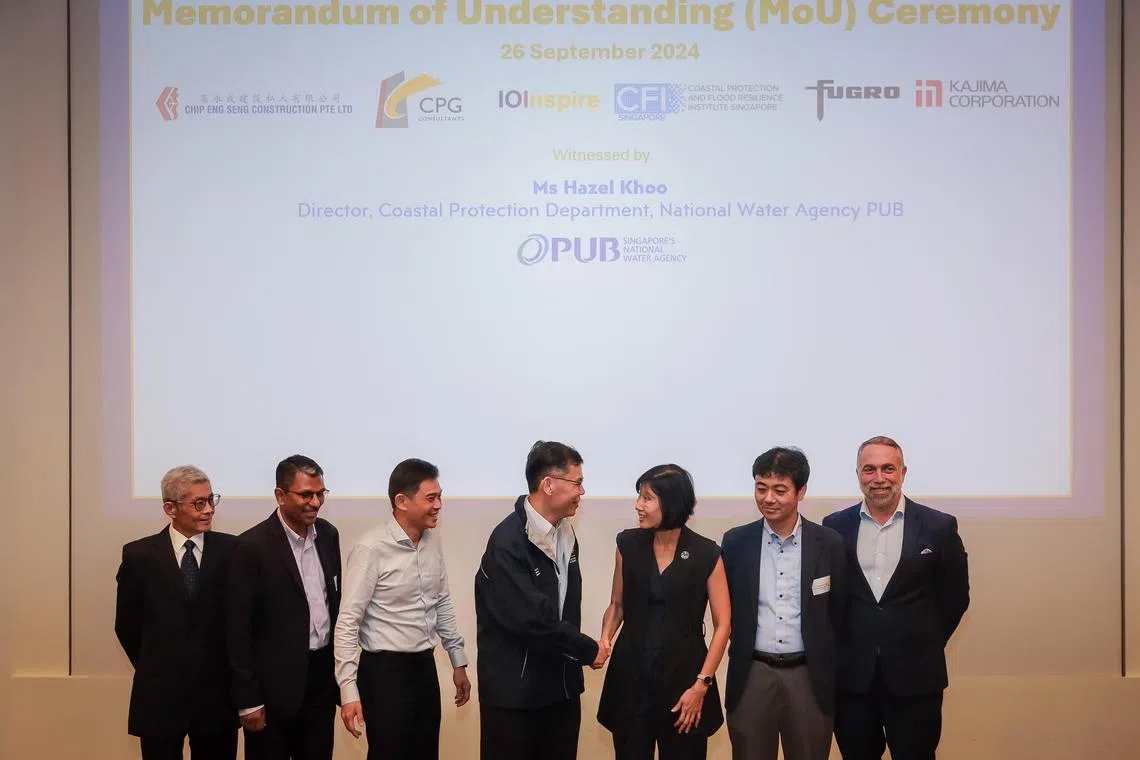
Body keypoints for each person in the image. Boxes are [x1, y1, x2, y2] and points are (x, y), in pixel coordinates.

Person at [822, 436, 970, 760]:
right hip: (852, 680)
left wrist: (924, 639)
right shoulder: (834, 527)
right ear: (858, 474)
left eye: (888, 469)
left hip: (916, 678)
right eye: (869, 469)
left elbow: (956, 597)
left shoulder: (939, 526)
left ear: (903, 472)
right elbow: (831, 599)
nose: (879, 478)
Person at [334, 458, 471, 760]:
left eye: (440, 497)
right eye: (431, 498)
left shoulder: (432, 540)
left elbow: (442, 601)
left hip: (424, 668)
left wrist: (457, 660)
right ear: (401, 501)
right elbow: (347, 622)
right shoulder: (371, 548)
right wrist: (348, 690)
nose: (439, 505)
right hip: (384, 674)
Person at [474, 440, 601, 760]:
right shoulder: (507, 543)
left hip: (560, 692)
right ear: (548, 484)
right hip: (515, 700)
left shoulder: (565, 533)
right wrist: (590, 650)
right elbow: (534, 621)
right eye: (577, 483)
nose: (581, 492)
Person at [721, 447, 847, 760]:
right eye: (761, 488)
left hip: (809, 675)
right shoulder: (736, 542)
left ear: (801, 491)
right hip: (753, 673)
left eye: (780, 490)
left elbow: (840, 612)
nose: (768, 499)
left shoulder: (828, 543)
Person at [597, 464, 731, 760]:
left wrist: (702, 684)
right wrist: (605, 639)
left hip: (685, 685)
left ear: (670, 503)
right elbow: (617, 604)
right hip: (631, 681)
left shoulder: (707, 553)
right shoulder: (627, 544)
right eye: (639, 497)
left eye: (646, 498)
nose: (638, 505)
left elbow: (723, 626)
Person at [115, 465, 238, 760]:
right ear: (170, 508)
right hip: (159, 698)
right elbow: (127, 626)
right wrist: (159, 667)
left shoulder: (233, 550)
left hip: (217, 699)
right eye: (199, 503)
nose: (208, 509)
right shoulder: (139, 555)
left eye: (212, 500)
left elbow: (241, 623)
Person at [228, 454, 342, 760]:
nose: (315, 502)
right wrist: (248, 701)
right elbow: (237, 631)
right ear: (280, 495)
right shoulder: (250, 547)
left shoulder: (329, 535)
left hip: (320, 682)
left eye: (320, 493)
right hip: (272, 691)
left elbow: (334, 603)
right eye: (306, 494)